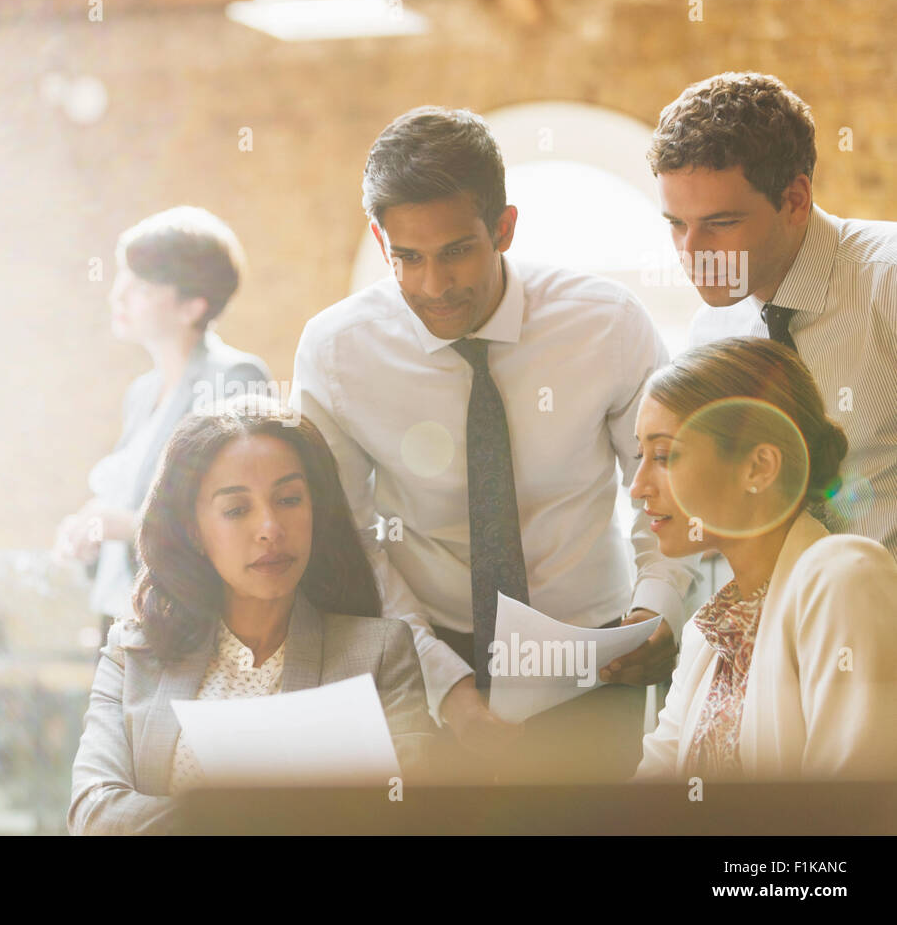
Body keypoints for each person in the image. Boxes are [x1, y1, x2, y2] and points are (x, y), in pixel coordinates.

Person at [289, 105, 698, 783]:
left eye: (456, 252)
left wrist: (659, 603)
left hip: (595, 649)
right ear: (378, 238)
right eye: (407, 259)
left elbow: (670, 480)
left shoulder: (605, 324)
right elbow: (351, 532)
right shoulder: (337, 352)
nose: (435, 286)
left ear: (504, 227)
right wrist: (445, 683)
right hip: (430, 646)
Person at [68, 397, 434, 834]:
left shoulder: (379, 652)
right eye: (237, 509)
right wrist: (242, 815)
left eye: (289, 499)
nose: (270, 529)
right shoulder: (132, 654)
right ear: (193, 531)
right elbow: (95, 813)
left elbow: (417, 811)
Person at [650, 71, 897, 559]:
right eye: (677, 224)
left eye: (721, 223)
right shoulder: (711, 334)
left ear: (795, 200)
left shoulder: (886, 281)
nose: (692, 252)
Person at [631, 337, 897, 780]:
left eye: (664, 456)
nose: (638, 486)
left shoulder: (844, 577)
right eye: (641, 456)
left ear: (758, 467)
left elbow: (853, 817)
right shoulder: (710, 632)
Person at [53, 207, 270, 635]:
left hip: (186, 625)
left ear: (192, 306)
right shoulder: (142, 394)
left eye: (143, 286)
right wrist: (90, 528)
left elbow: (238, 517)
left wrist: (127, 526)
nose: (118, 295)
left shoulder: (234, 379)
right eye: (122, 278)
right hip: (121, 617)